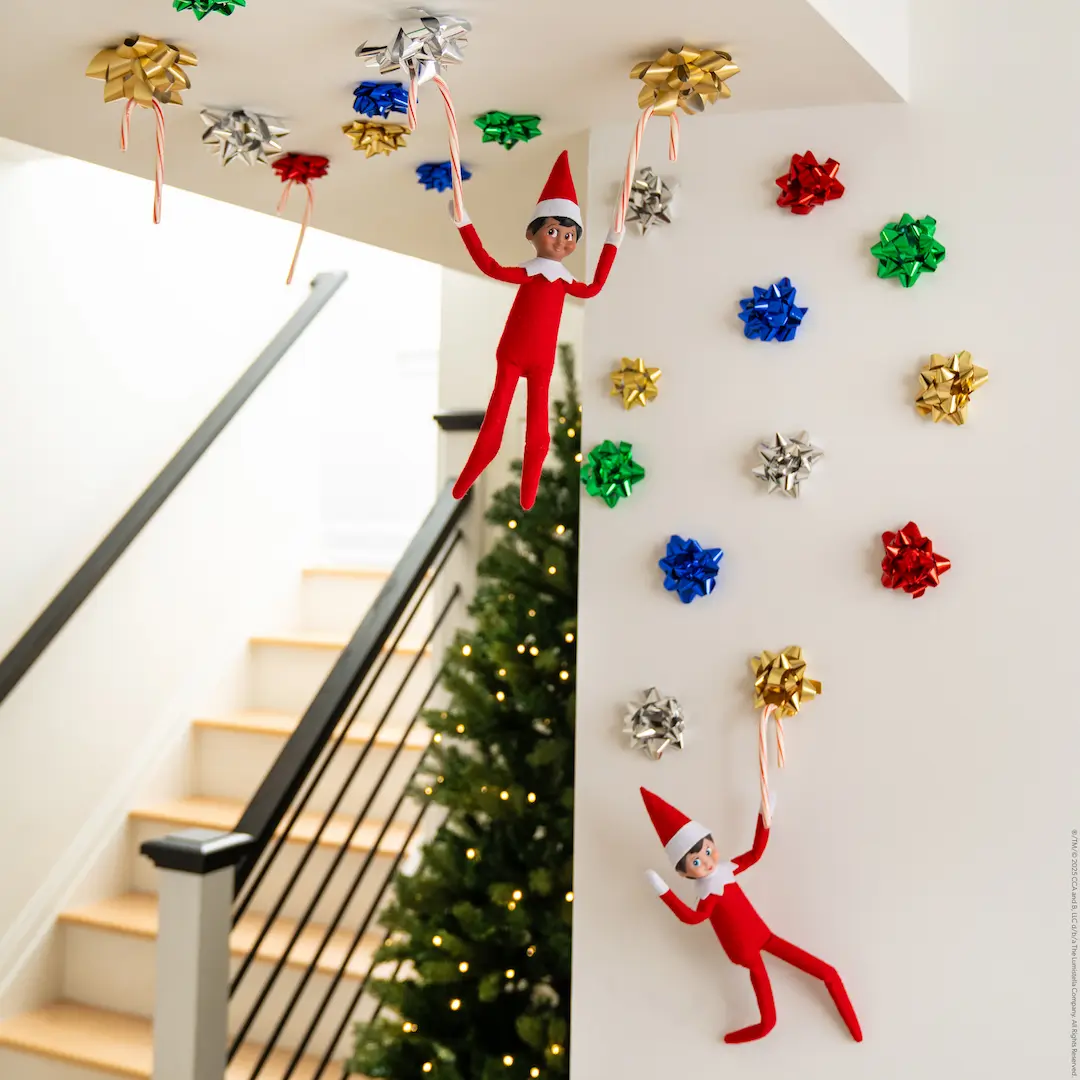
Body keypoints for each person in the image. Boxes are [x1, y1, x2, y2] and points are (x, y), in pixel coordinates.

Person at [450, 150, 622, 510]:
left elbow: (593, 289)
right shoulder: (529, 272)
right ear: (534, 233)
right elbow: (490, 266)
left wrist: (613, 241)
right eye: (553, 231)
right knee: (494, 426)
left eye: (569, 235)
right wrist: (463, 222)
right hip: (512, 355)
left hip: (541, 362)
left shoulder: (564, 280)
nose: (561, 240)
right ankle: (464, 482)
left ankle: (528, 496)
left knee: (539, 434)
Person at [641, 786, 863, 1044]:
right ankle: (739, 1036)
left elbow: (755, 853)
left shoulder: (726, 870)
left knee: (828, 972)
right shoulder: (707, 894)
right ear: (684, 873)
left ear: (712, 843)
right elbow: (693, 918)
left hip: (765, 935)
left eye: (708, 852)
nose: (708, 861)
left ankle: (856, 1033)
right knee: (769, 1021)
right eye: (697, 862)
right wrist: (663, 891)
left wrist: (764, 816)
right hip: (745, 953)